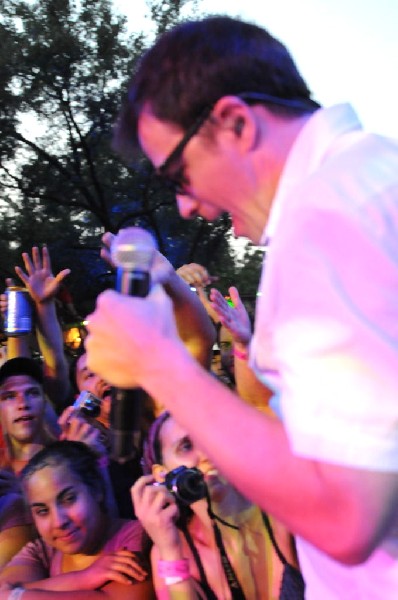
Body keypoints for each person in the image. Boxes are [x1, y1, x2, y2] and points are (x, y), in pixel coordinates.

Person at [85, 15, 398, 599]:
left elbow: (347, 516)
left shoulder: (323, 220)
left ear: (234, 122)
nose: (182, 206)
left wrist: (156, 363)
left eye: (179, 174)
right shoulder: (371, 174)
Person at [132, 411, 296, 599]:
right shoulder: (173, 548)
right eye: (186, 446)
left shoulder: (280, 517)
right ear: (162, 475)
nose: (206, 453)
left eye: (210, 437)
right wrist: (170, 553)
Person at [0, 440, 154, 599]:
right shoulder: (41, 552)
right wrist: (85, 577)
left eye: (68, 499)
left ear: (96, 489)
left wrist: (16, 594)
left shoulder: (137, 537)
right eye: (42, 511)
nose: (59, 522)